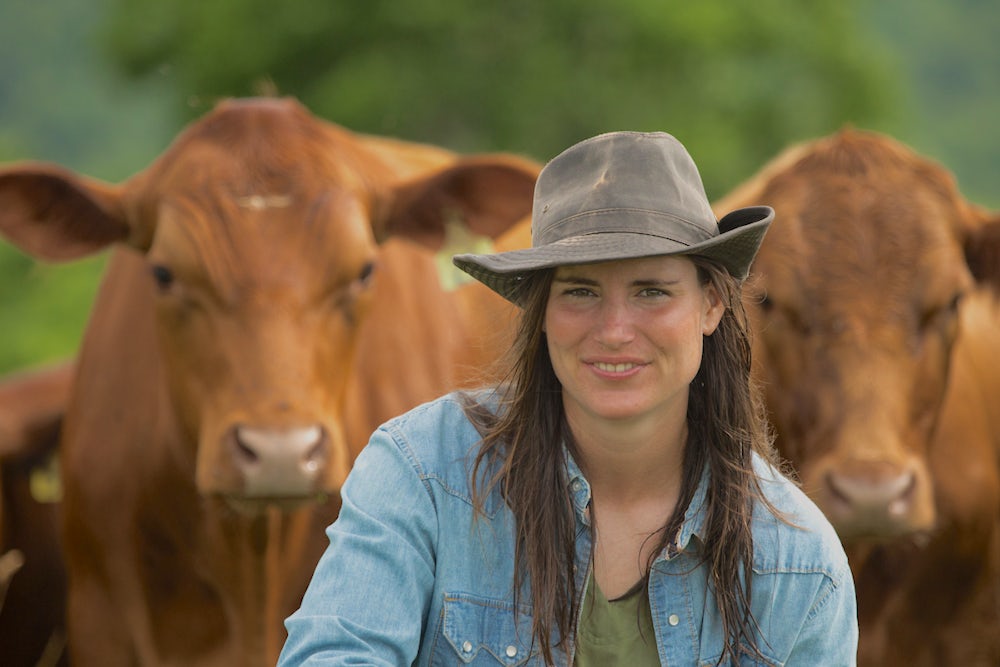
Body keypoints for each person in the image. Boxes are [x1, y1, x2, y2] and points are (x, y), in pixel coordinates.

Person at [278, 131, 858, 666]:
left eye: (652, 291)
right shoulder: (421, 473)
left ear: (711, 305)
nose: (613, 329)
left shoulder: (799, 565)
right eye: (580, 290)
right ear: (542, 311)